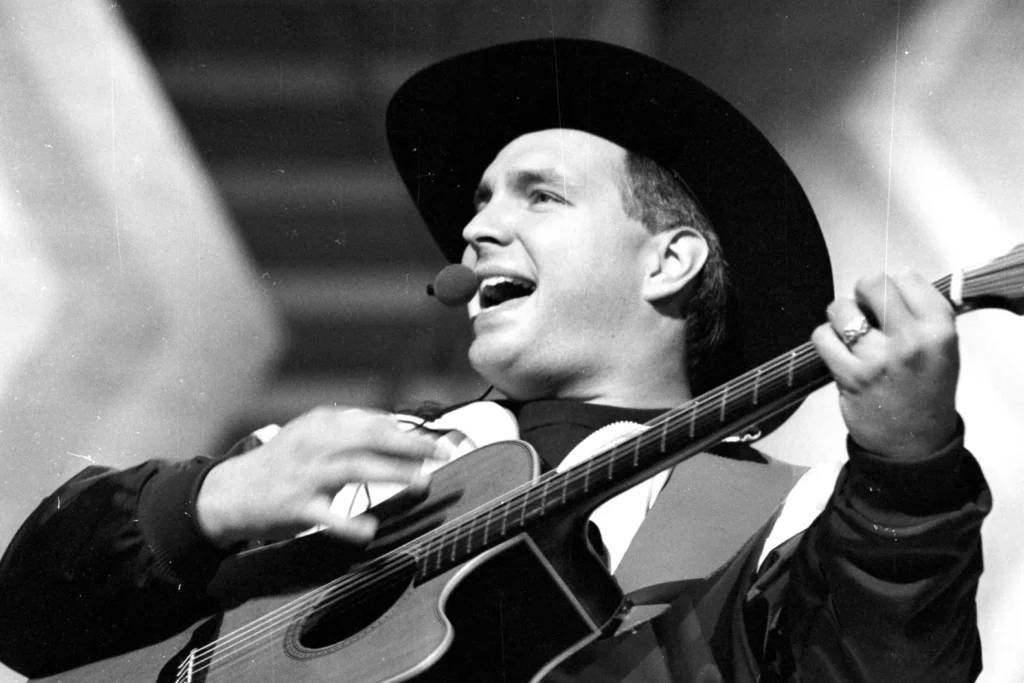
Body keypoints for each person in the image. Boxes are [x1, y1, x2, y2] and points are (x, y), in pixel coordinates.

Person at [0, 39, 988, 682]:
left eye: (538, 195)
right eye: (477, 202)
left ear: (670, 260)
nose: (475, 232)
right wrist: (205, 502)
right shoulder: (340, 463)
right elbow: (24, 622)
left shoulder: (782, 519)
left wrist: (908, 478)